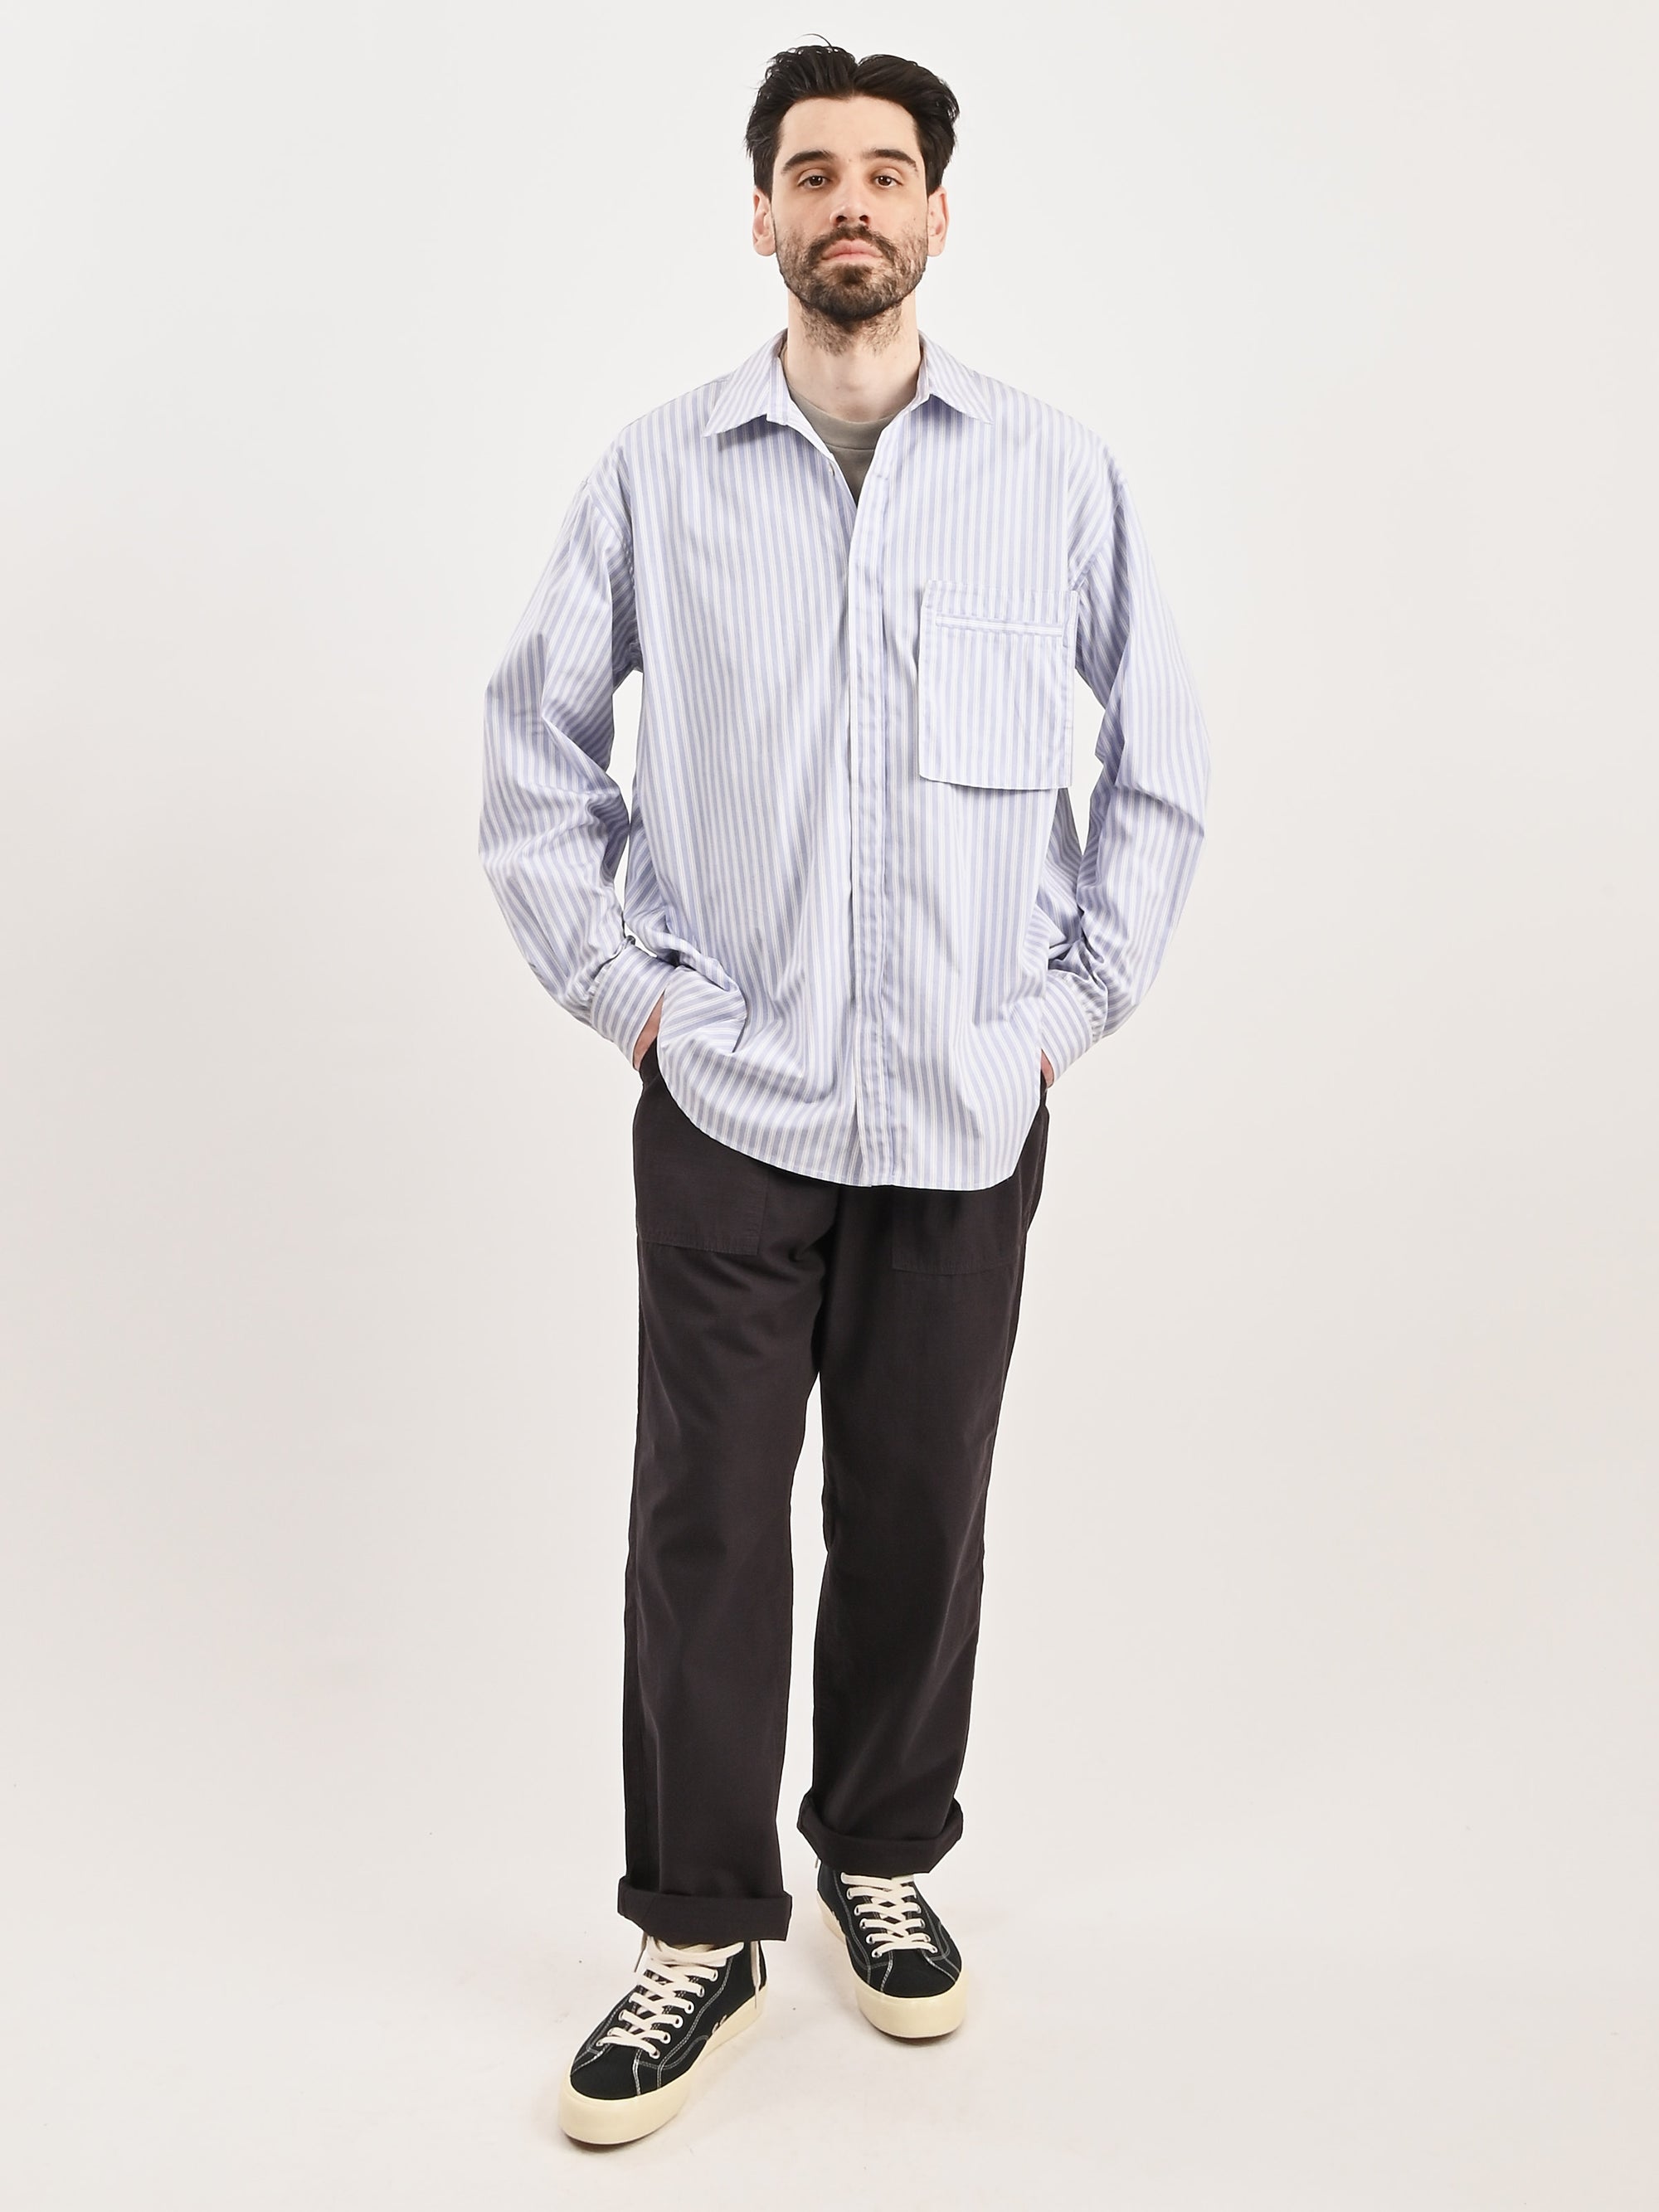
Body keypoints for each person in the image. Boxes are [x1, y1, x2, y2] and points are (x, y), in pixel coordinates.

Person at [479, 40, 1211, 2146]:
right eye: (812, 173)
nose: (851, 203)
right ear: (762, 214)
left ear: (939, 213)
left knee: (917, 1505)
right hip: (732, 1095)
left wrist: (1056, 1015)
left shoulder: (1052, 476)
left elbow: (1158, 774)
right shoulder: (658, 472)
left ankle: (878, 1854)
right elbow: (533, 761)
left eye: (887, 171)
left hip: (967, 1105)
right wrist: (638, 1005)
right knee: (705, 1519)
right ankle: (698, 1924)